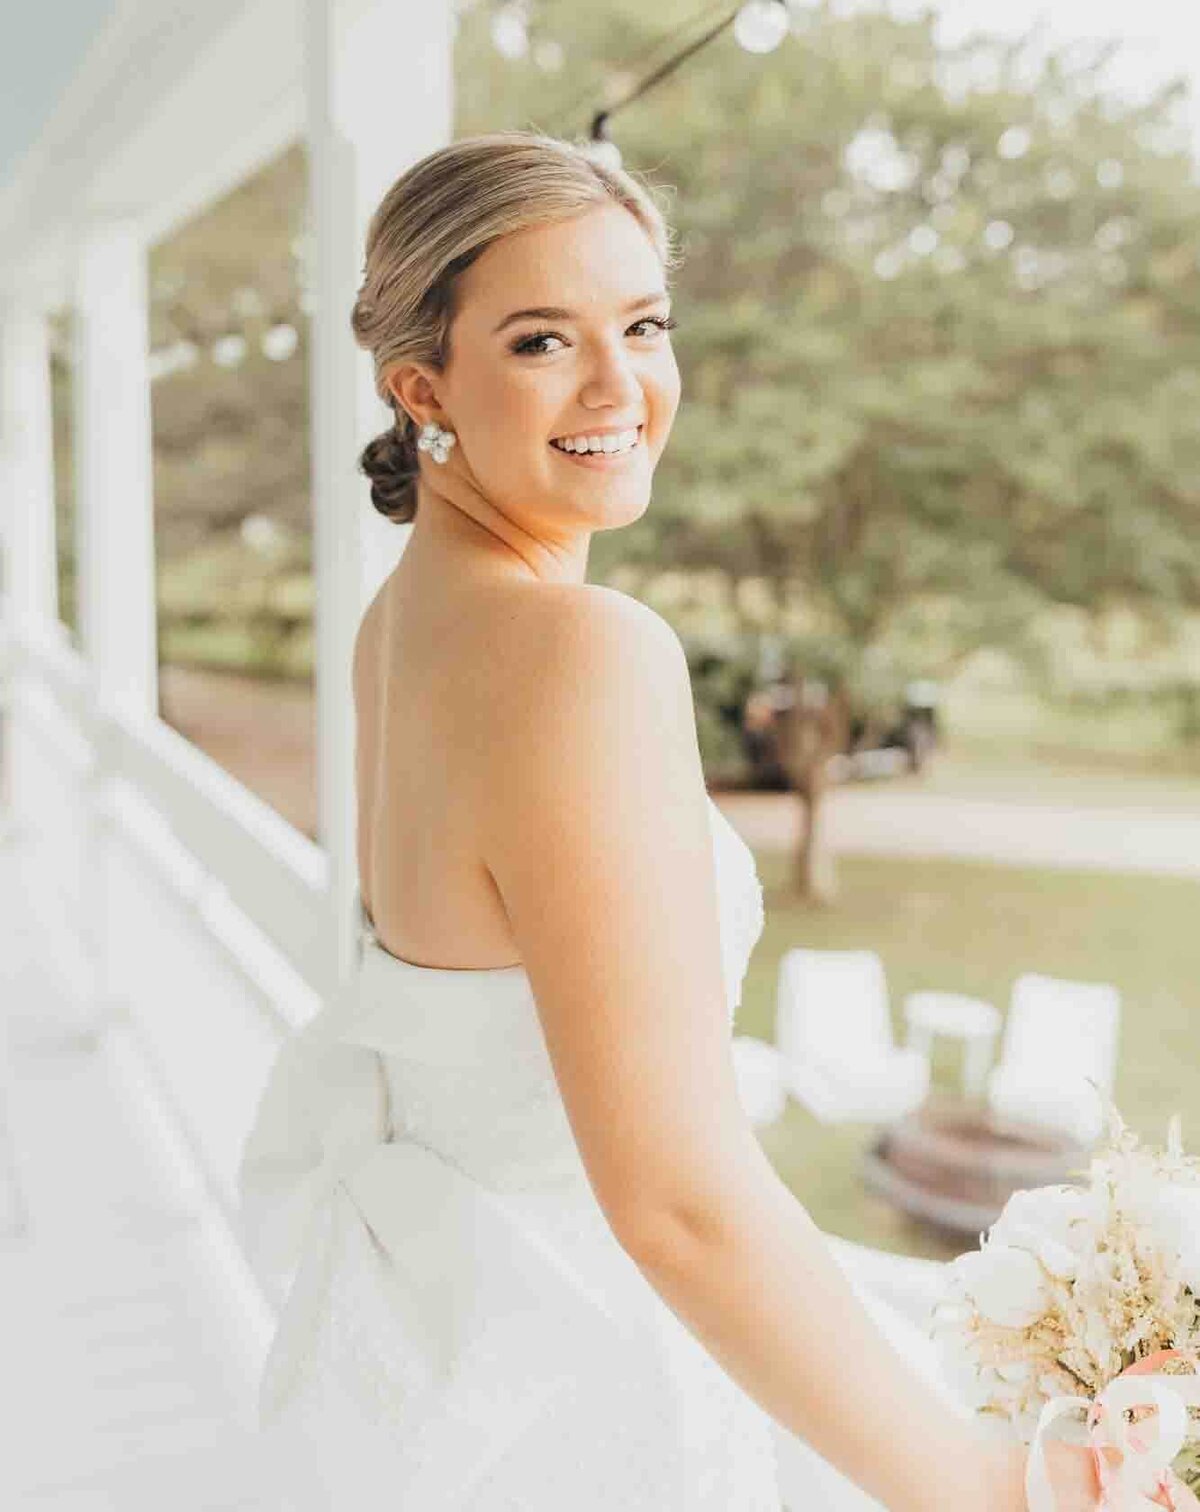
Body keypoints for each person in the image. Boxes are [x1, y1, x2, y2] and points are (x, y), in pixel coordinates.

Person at [236, 132, 1100, 1511]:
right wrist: (991, 1486)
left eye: (643, 324)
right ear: (423, 387)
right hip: (580, 1384)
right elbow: (679, 1203)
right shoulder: (583, 651)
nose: (619, 386)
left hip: (439, 1353)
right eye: (540, 340)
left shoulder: (406, 624)